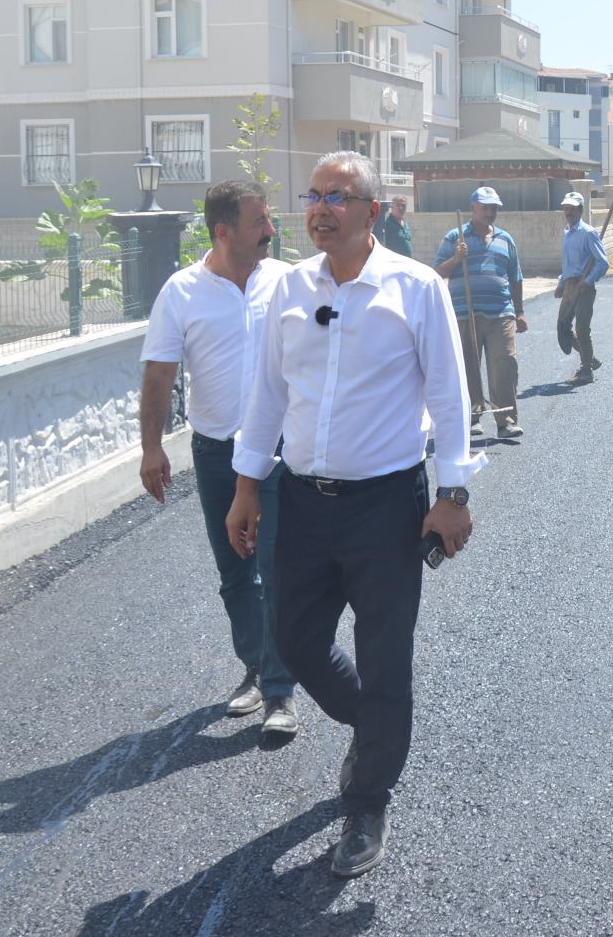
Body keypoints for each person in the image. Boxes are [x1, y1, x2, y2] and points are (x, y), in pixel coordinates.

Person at [225, 150, 481, 880]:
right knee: (295, 641)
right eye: (313, 195)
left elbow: (449, 397)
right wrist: (248, 486)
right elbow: (266, 396)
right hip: (302, 503)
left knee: (385, 656)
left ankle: (367, 799)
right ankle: (376, 731)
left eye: (339, 196)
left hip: (387, 508)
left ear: (374, 211)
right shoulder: (289, 290)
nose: (322, 207)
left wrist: (453, 494)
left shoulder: (415, 287)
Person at [138, 179, 298, 738]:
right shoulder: (181, 292)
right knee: (236, 569)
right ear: (223, 230)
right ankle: (255, 667)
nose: (271, 233)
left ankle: (280, 691)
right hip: (214, 452)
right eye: (260, 222)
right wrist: (152, 446)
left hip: (281, 449)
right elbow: (159, 372)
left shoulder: (286, 282)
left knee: (278, 566)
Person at [433, 185, 527, 439]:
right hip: (465, 313)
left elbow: (515, 277)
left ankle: (506, 420)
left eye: (493, 208)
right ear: (473, 208)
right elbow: (436, 274)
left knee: (504, 365)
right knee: (467, 367)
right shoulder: (455, 238)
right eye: (484, 208)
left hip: (500, 313)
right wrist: (456, 258)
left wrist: (519, 311)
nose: (489, 212)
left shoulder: (505, 239)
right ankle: (473, 417)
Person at [556, 191, 609, 384]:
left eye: (572, 208)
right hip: (570, 286)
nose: (568, 211)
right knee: (563, 328)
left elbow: (602, 263)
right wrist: (561, 283)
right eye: (566, 208)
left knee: (582, 328)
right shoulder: (567, 232)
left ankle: (586, 370)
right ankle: (590, 357)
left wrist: (587, 282)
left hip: (584, 286)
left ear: (580, 210)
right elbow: (567, 263)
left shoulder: (588, 233)